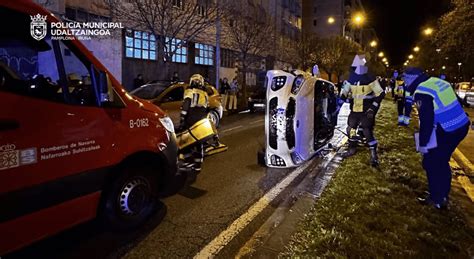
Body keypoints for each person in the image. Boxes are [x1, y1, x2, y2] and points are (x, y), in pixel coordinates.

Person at [403, 67, 470, 209]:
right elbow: (457, 101)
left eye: (405, 78)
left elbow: (426, 121)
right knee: (441, 161)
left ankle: (436, 199)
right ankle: (442, 195)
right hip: (460, 125)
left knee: (431, 162)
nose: (403, 81)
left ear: (411, 78)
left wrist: (423, 144)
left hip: (448, 129)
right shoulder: (437, 82)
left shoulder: (421, 92)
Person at [340, 54, 385, 167]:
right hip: (355, 109)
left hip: (367, 110)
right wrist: (342, 97)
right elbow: (345, 91)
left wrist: (373, 108)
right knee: (350, 129)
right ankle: (352, 149)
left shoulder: (370, 77)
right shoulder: (351, 77)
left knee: (367, 130)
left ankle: (374, 156)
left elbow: (380, 93)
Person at [178, 74, 211, 174]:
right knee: (199, 142)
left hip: (191, 119)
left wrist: (182, 118)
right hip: (201, 120)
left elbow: (186, 105)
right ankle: (198, 165)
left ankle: (187, 161)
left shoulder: (189, 91)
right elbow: (207, 108)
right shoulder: (205, 93)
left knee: (187, 140)